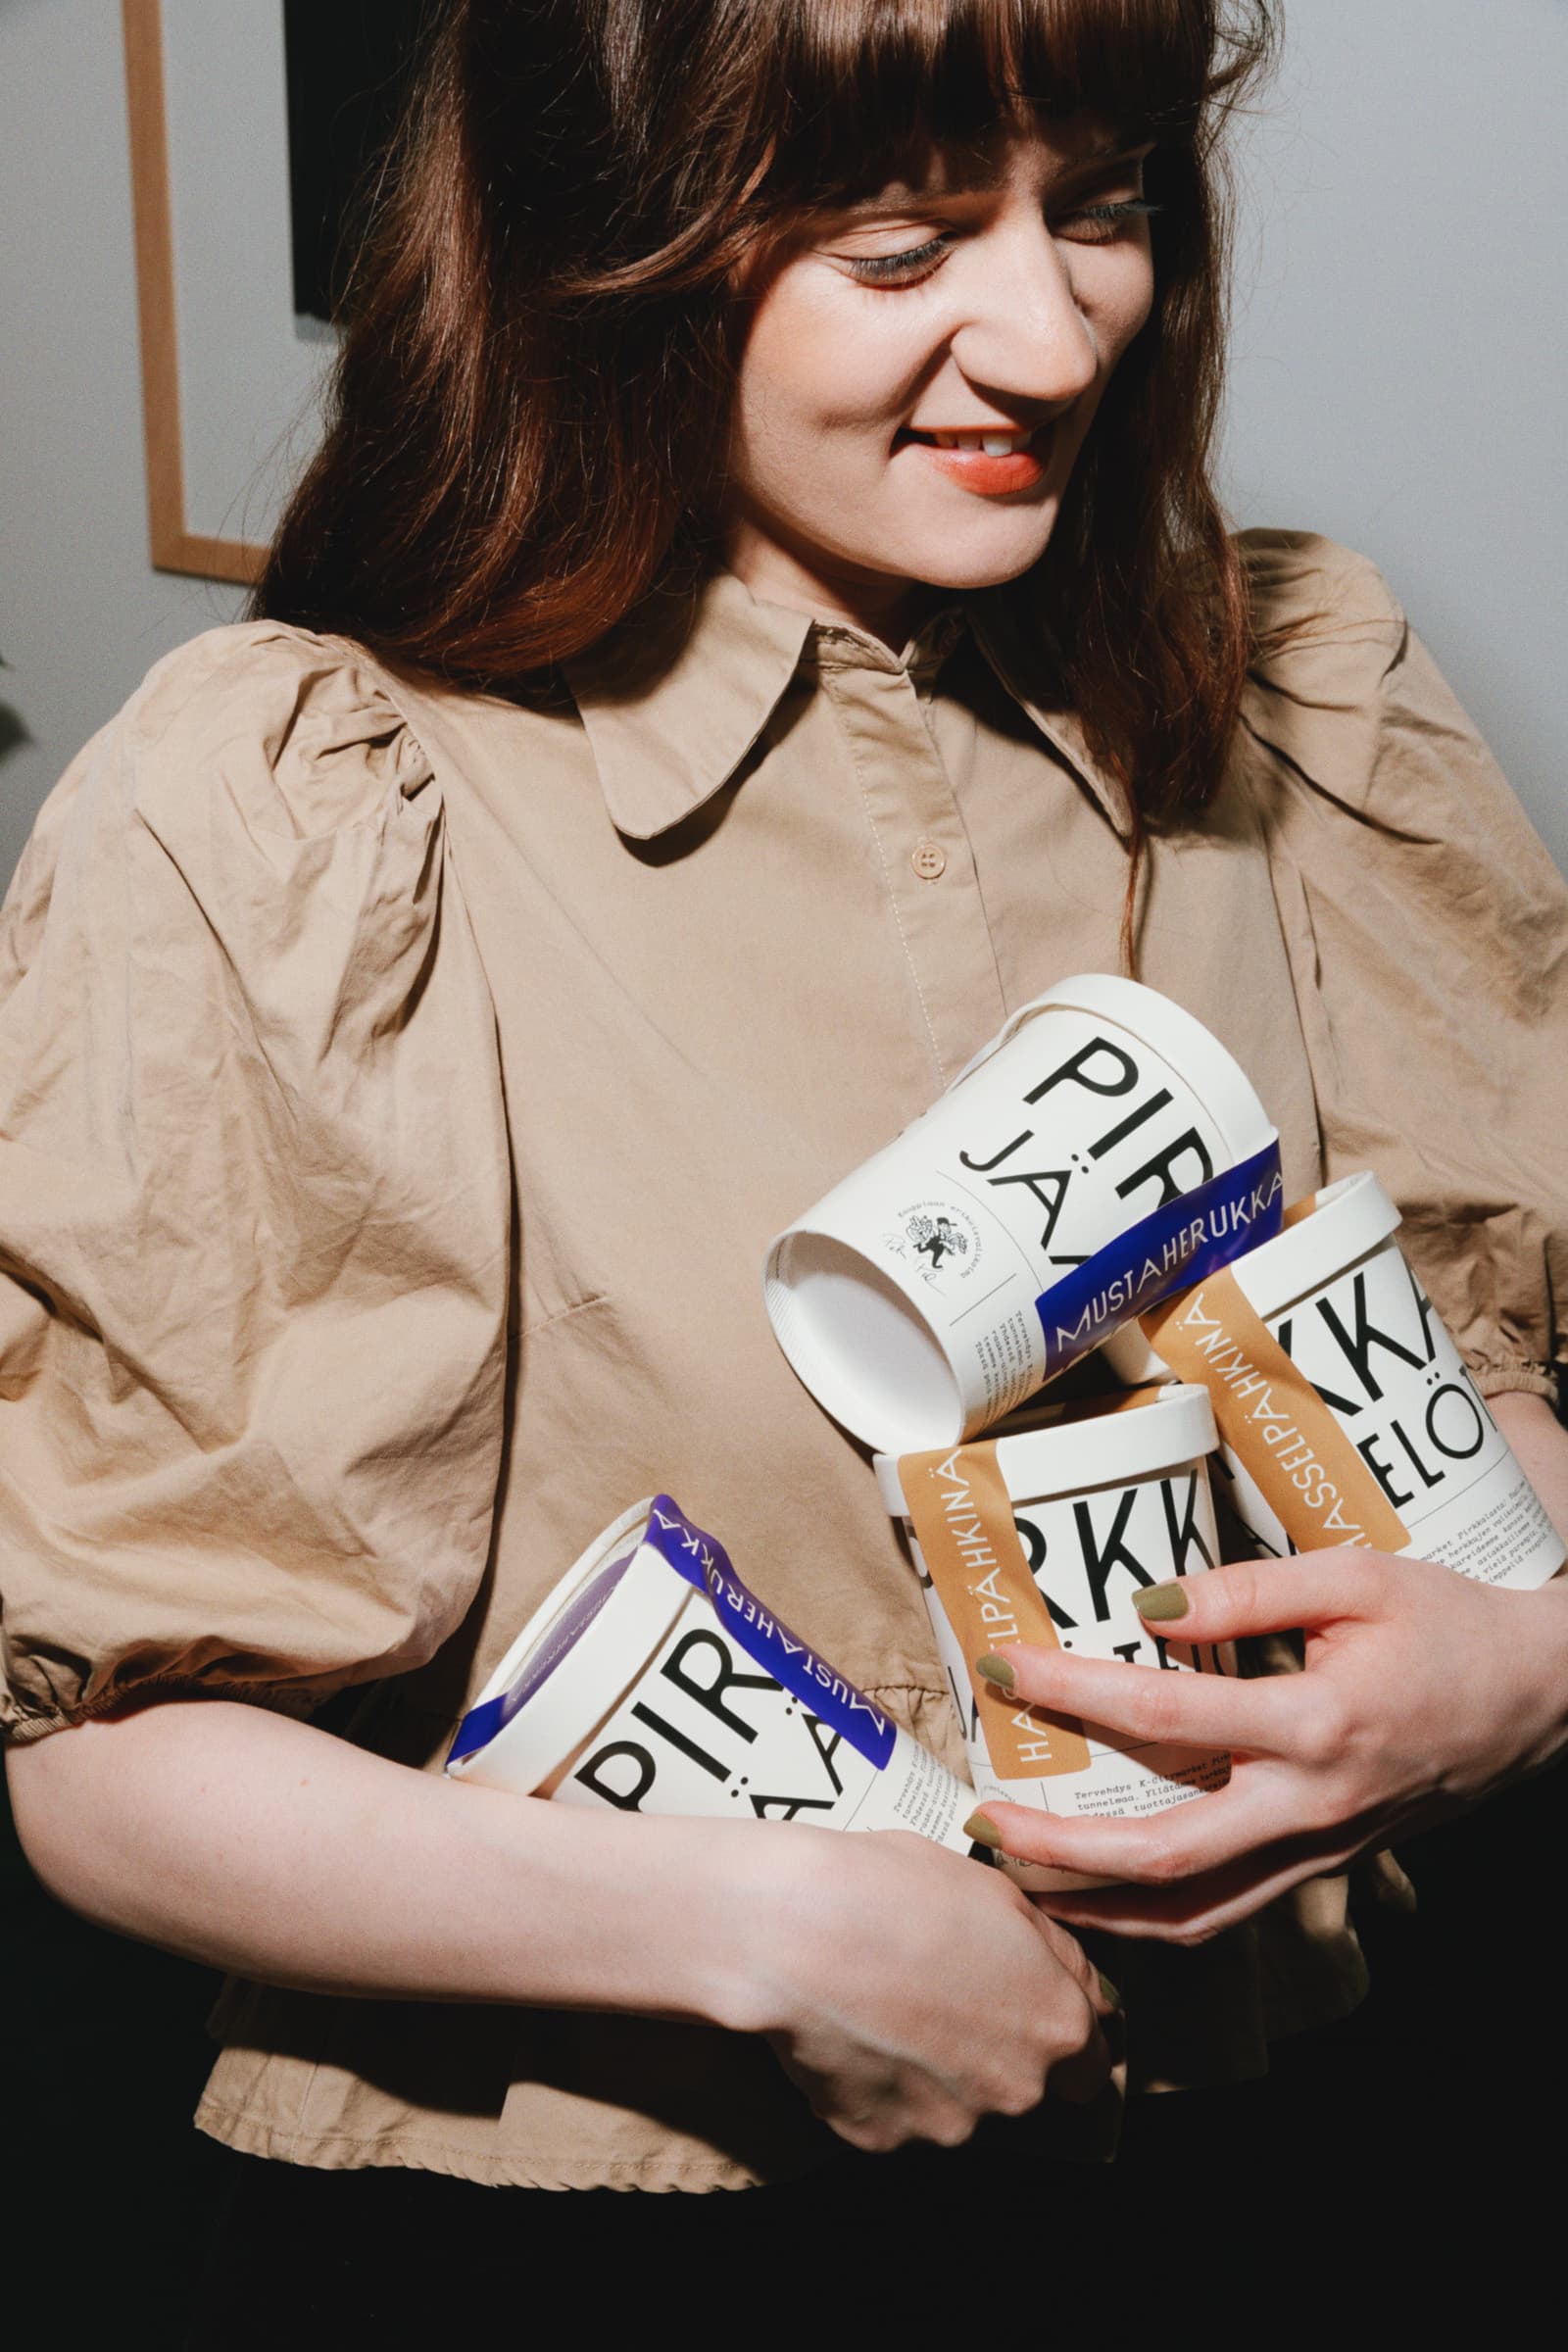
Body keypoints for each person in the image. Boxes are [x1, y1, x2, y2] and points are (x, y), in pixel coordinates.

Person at [3, 0, 1565, 2293]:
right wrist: (752, 1931)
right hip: (595, 2234)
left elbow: (1474, 1397)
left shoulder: (1294, 700)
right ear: (610, 250)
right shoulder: (302, 817)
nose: (1049, 332)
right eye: (897, 241)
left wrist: (1514, 1664)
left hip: (1315, 2140)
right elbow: (104, 1763)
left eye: (1102, 208)